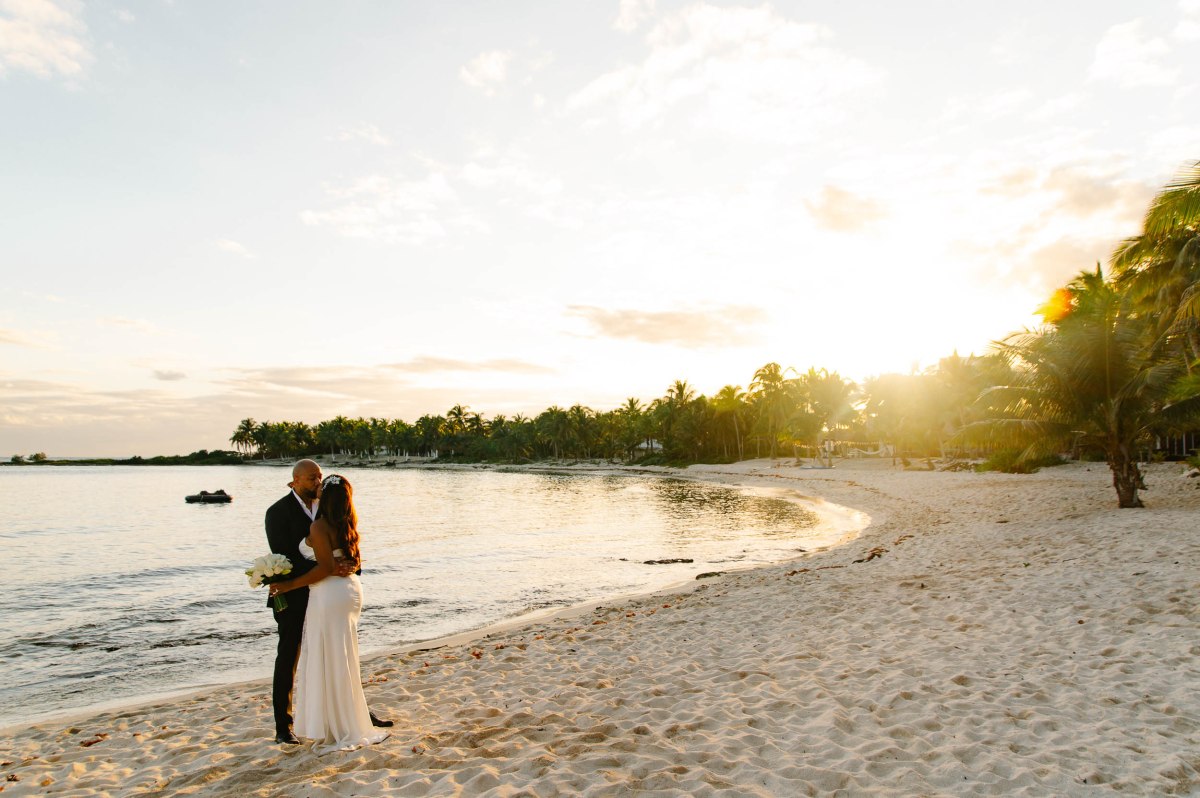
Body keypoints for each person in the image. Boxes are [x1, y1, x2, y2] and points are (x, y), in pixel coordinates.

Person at [264, 460, 391, 745]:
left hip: (330, 593)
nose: (317, 482)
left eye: (320, 477)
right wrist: (328, 569)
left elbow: (346, 540)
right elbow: (285, 558)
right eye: (312, 478)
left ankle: (356, 713)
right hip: (298, 595)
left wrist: (345, 567)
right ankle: (283, 727)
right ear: (294, 480)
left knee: (340, 652)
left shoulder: (330, 506)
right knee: (289, 656)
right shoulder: (277, 513)